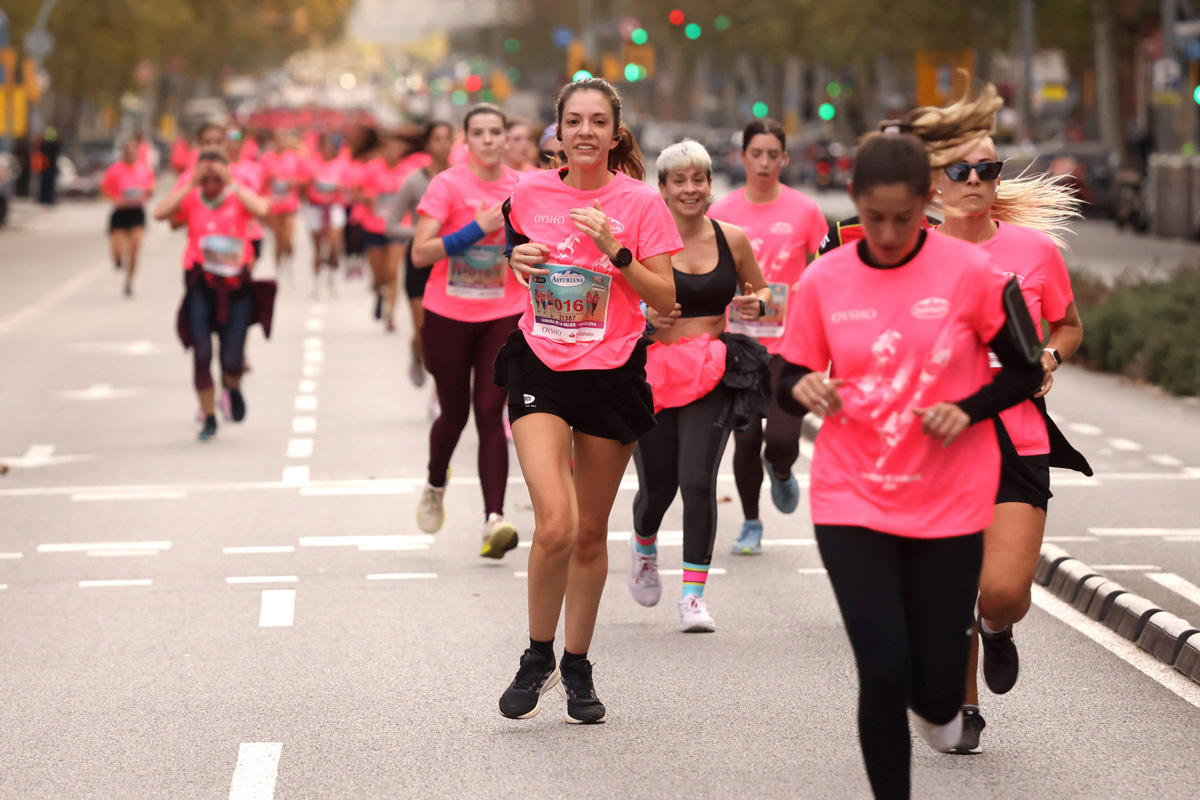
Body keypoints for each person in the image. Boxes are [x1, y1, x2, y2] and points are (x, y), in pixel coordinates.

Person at [775, 131, 1043, 799]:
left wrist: (972, 407)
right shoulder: (824, 278)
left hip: (950, 497)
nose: (889, 233)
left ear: (928, 201)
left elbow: (1025, 368)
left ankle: (944, 700)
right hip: (852, 496)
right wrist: (798, 385)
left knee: (935, 682)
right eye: (873, 218)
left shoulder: (972, 273)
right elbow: (786, 366)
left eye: (903, 217)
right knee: (882, 668)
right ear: (856, 206)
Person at [496, 78, 680, 724]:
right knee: (555, 524)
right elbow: (512, 256)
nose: (584, 132)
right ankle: (537, 654)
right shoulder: (529, 193)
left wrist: (615, 249)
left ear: (614, 131)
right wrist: (517, 258)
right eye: (574, 121)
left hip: (611, 373)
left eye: (597, 122)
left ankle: (576, 664)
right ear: (559, 131)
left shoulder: (639, 202)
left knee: (590, 536)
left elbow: (664, 300)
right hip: (541, 363)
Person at [912, 89, 1089, 755]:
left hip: (1016, 435)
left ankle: (999, 628)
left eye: (989, 168)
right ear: (934, 184)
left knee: (1004, 590)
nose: (978, 182)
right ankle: (961, 707)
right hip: (936, 441)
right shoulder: (909, 255)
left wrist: (1048, 355)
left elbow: (1069, 324)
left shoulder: (1034, 253)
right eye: (962, 171)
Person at [630, 140, 772, 632]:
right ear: (663, 190)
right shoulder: (644, 238)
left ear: (710, 185)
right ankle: (644, 543)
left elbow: (762, 288)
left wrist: (758, 303)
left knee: (696, 479)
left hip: (710, 368)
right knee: (658, 487)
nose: (690, 189)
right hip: (650, 371)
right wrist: (644, 314)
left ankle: (693, 598)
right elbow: (615, 301)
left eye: (699, 180)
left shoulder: (731, 238)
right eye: (679, 181)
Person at [707, 118, 829, 555]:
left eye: (772, 155)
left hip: (792, 343)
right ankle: (752, 522)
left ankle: (781, 469)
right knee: (745, 438)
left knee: (780, 439)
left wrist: (806, 286)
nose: (763, 162)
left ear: (784, 159)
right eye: (755, 154)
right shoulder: (722, 212)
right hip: (740, 346)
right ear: (742, 157)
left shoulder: (805, 210)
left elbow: (824, 264)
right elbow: (709, 268)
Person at [410, 105, 523, 554]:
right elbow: (421, 253)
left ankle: (493, 521)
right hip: (448, 313)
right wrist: (477, 229)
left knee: (491, 413)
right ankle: (436, 483)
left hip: (503, 311)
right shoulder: (447, 185)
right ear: (466, 139)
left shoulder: (522, 186)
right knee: (453, 413)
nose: (490, 140)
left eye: (497, 131)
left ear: (506, 138)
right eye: (480, 132)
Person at [153, 150, 271, 441]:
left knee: (232, 359)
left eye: (216, 175)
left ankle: (232, 386)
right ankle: (208, 416)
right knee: (202, 353)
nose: (212, 182)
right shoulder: (193, 198)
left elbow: (263, 209)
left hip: (236, 288)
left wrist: (232, 183)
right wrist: (191, 183)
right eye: (207, 177)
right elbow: (160, 213)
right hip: (201, 287)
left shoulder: (237, 198)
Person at [387, 121, 453, 386]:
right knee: (423, 330)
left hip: (451, 263)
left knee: (446, 333)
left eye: (448, 138)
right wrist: (421, 234)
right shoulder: (414, 181)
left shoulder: (461, 178)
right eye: (437, 139)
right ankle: (416, 355)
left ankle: (439, 391)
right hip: (420, 262)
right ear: (427, 144)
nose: (443, 144)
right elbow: (390, 224)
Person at [360, 132, 418, 332]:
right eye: (387, 148)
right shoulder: (372, 169)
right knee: (379, 276)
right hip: (373, 226)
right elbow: (359, 192)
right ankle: (379, 293)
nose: (392, 152)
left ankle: (390, 313)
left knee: (393, 272)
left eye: (396, 148)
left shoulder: (409, 171)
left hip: (399, 228)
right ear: (382, 150)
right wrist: (370, 198)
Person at [101, 138, 155, 297]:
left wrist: (146, 195)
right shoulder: (115, 169)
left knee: (134, 249)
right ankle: (117, 259)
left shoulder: (144, 169)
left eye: (133, 151)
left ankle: (129, 282)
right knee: (118, 250)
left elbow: (151, 187)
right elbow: (103, 189)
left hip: (137, 211)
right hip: (120, 212)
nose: (131, 154)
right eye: (128, 151)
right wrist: (116, 199)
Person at [302, 133, 347, 297]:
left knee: (334, 245)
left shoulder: (340, 165)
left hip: (334, 208)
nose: (327, 150)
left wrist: (337, 188)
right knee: (318, 248)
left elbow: (347, 186)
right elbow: (303, 187)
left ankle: (333, 276)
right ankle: (317, 280)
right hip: (316, 208)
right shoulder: (311, 164)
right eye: (324, 146)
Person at [262, 130, 304, 279]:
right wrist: (270, 178)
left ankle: (290, 261)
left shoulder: (293, 157)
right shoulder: (267, 158)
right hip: (273, 204)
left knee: (288, 237)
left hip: (290, 204)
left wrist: (292, 181)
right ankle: (279, 266)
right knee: (277, 238)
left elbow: (302, 179)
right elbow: (261, 180)